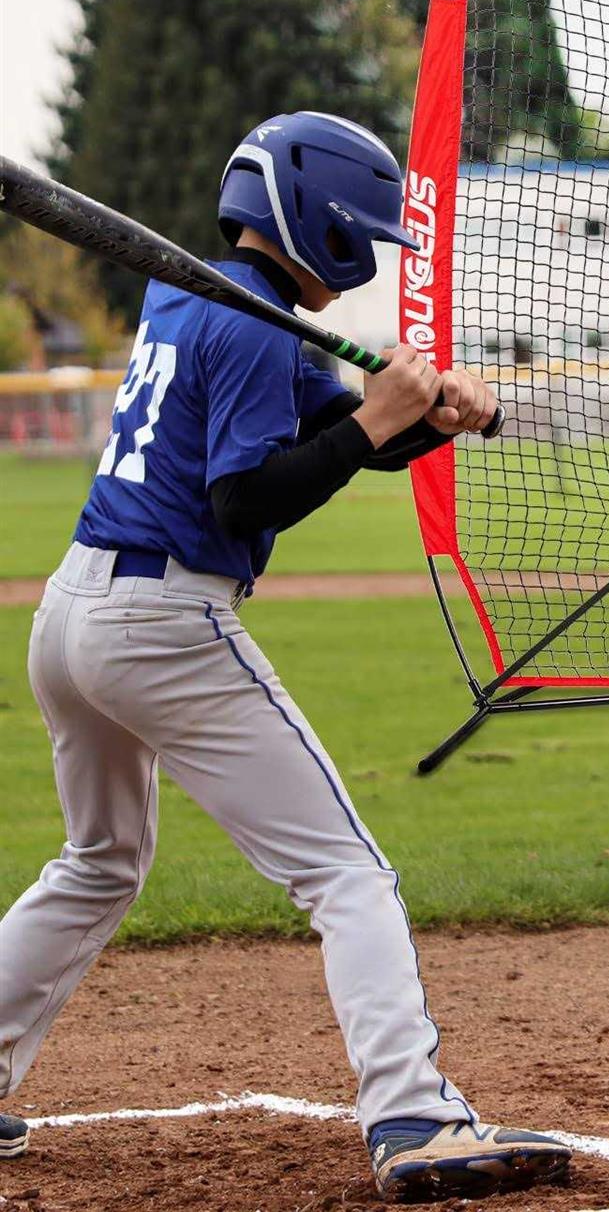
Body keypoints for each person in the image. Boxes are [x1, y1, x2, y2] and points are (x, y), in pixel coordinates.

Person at [0, 113, 571, 1202]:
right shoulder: (253, 320)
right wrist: (373, 427)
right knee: (347, 873)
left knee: (101, 858)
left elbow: (345, 434)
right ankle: (413, 1114)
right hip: (162, 618)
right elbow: (247, 496)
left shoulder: (205, 296)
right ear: (319, 223)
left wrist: (428, 416)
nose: (364, 259)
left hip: (74, 611)